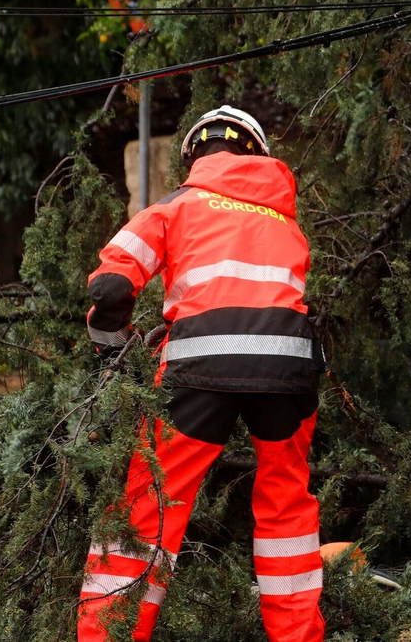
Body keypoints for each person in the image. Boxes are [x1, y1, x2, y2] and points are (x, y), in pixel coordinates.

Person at [76, 105, 325, 642]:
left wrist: (113, 355)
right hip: (290, 373)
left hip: (198, 370)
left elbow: (110, 288)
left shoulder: (177, 206)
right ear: (257, 155)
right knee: (287, 515)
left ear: (192, 158)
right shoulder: (285, 219)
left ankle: (109, 635)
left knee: (150, 513)